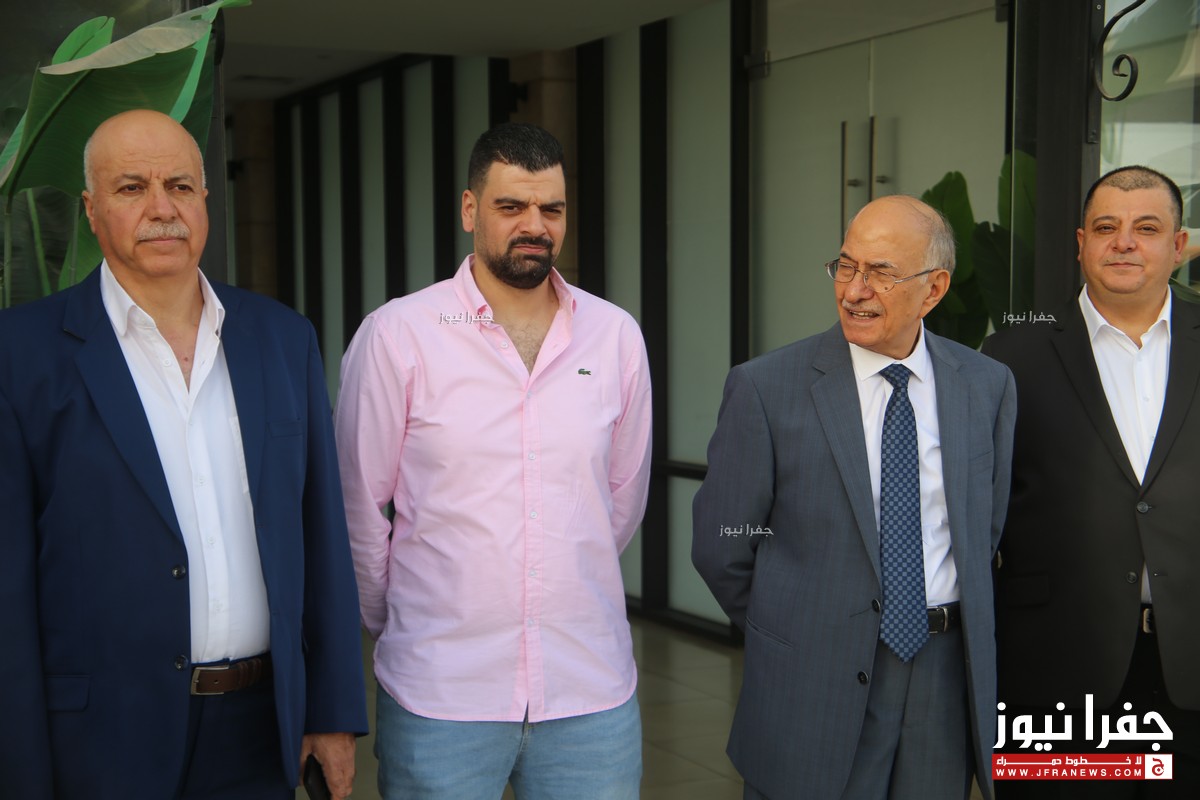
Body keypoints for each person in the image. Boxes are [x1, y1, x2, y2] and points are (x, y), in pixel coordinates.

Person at [0, 109, 367, 799]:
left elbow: (321, 537)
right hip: (100, 740)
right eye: (131, 188)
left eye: (179, 186)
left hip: (259, 731)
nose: (161, 208)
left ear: (205, 200)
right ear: (91, 210)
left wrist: (332, 710)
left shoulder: (282, 338)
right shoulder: (21, 354)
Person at [335, 122, 652, 799]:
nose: (535, 225)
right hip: (441, 696)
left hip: (589, 693)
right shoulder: (399, 336)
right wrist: (410, 619)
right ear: (470, 210)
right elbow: (357, 506)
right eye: (511, 206)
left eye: (551, 209)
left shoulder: (616, 336)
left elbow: (619, 501)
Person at [693, 195, 1016, 800]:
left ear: (934, 289)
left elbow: (986, 528)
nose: (854, 290)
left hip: (943, 677)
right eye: (846, 266)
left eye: (881, 272)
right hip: (811, 680)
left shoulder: (986, 385)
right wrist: (795, 631)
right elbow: (724, 545)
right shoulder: (766, 388)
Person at [983, 166, 1199, 799]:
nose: (1124, 242)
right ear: (1081, 244)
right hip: (1053, 675)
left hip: (1191, 672)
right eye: (1106, 227)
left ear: (1179, 247)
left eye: (1146, 228)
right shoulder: (1008, 358)